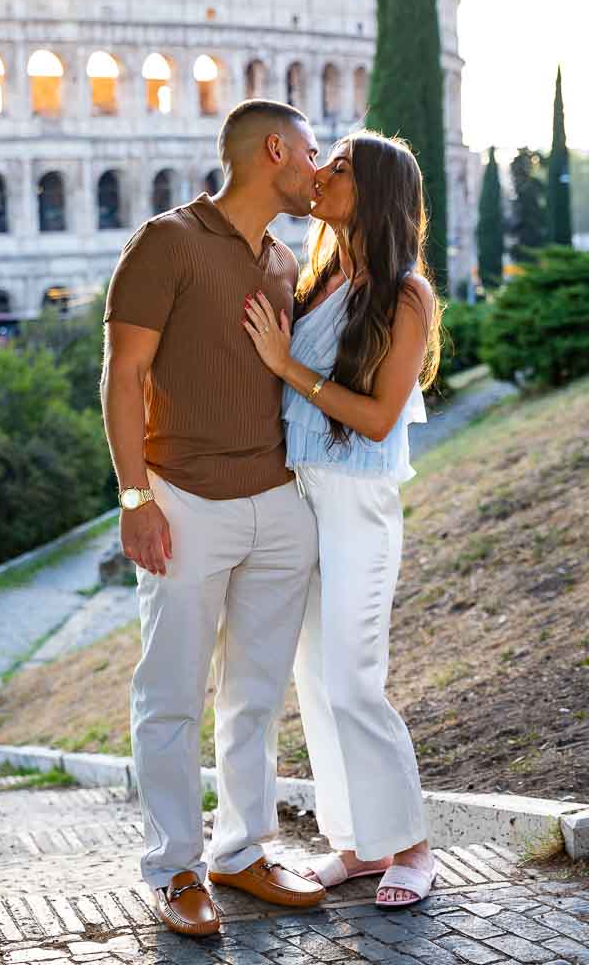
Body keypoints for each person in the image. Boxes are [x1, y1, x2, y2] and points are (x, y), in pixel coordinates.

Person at [101, 100, 326, 937]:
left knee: (255, 697)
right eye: (310, 151)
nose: (318, 165)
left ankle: (240, 853)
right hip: (184, 502)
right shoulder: (167, 242)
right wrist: (135, 498)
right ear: (274, 150)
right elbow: (124, 376)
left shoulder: (283, 258)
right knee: (169, 697)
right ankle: (174, 870)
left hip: (278, 503)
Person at [242, 131, 442, 909]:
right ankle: (357, 843)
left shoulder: (405, 294)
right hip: (300, 498)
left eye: (340, 168)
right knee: (316, 679)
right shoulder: (320, 275)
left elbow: (379, 416)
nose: (319, 174)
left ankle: (415, 846)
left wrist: (286, 365)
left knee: (356, 679)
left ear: (377, 193)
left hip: (357, 506)